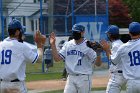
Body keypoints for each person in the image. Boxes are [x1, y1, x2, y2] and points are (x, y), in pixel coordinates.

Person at [50, 24, 102, 93]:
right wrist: (53, 44)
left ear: (82, 33)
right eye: (73, 32)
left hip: (84, 78)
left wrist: (98, 54)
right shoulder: (67, 44)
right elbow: (57, 59)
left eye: (76, 32)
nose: (74, 33)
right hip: (71, 77)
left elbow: (98, 64)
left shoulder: (88, 45)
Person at [0, 19, 46, 93]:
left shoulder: (1, 45)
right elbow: (39, 59)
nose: (22, 33)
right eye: (21, 31)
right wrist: (39, 44)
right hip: (16, 86)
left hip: (2, 86)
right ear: (17, 32)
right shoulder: (21, 46)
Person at [103, 22, 140, 93]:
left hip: (131, 82)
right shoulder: (121, 45)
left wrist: (107, 50)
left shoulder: (124, 47)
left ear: (129, 33)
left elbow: (113, 61)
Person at [100, 25, 127, 93]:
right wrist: (107, 50)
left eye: (108, 34)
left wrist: (106, 50)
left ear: (110, 35)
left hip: (117, 75)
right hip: (121, 74)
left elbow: (113, 61)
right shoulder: (120, 43)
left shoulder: (116, 45)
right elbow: (111, 57)